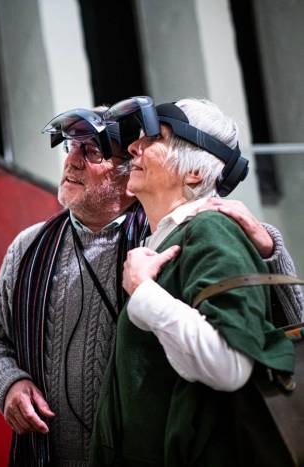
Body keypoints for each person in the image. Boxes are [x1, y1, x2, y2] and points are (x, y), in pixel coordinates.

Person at [0, 101, 302, 466]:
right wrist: (8, 385)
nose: (72, 161)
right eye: (71, 146)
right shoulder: (30, 246)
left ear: (126, 176)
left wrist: (268, 250)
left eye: (92, 150)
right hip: (46, 456)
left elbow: (278, 329)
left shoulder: (172, 237)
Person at [90, 98, 296, 466]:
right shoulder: (163, 241)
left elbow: (229, 366)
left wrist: (144, 293)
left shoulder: (209, 231)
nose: (134, 146)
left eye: (155, 137)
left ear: (194, 174)